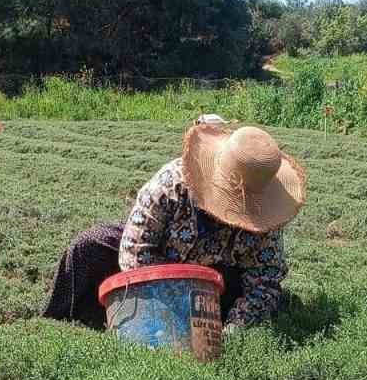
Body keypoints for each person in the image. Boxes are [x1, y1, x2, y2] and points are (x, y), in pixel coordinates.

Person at [43, 120, 307, 335]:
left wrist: (232, 330)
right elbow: (135, 253)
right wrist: (175, 305)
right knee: (88, 246)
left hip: (216, 279)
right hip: (156, 264)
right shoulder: (171, 185)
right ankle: (59, 324)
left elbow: (265, 279)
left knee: (269, 304)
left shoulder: (265, 218)